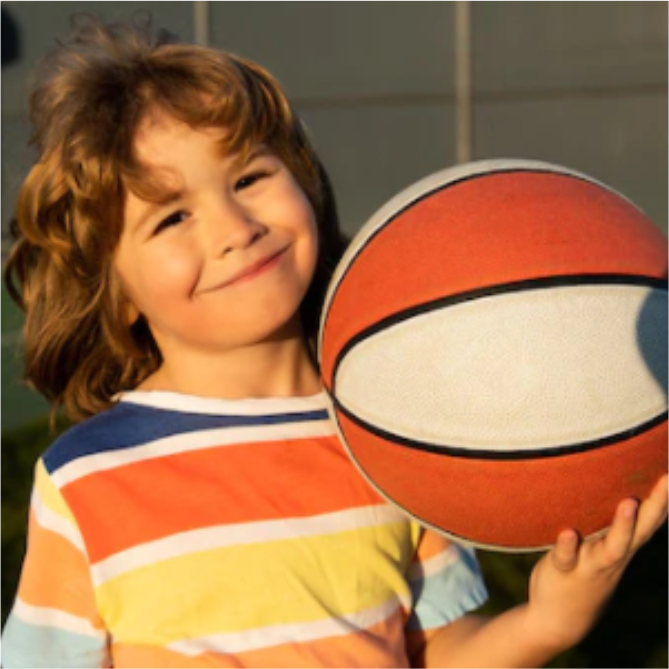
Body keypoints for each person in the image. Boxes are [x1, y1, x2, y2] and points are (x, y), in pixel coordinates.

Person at [2, 15, 667, 669]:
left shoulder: (401, 436)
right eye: (172, 215)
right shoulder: (85, 479)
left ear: (306, 183)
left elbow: (436, 651)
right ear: (117, 293)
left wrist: (552, 619)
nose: (233, 227)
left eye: (249, 178)